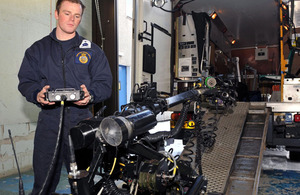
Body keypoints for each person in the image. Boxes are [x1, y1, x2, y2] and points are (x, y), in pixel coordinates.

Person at [18, 0, 112, 194]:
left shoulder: (92, 51)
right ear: (56, 14)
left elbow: (104, 84)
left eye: (77, 16)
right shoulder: (38, 49)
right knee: (43, 183)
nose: (72, 19)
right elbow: (26, 81)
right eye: (67, 13)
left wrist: (91, 95)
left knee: (83, 184)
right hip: (48, 124)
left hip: (81, 124)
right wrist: (37, 94)